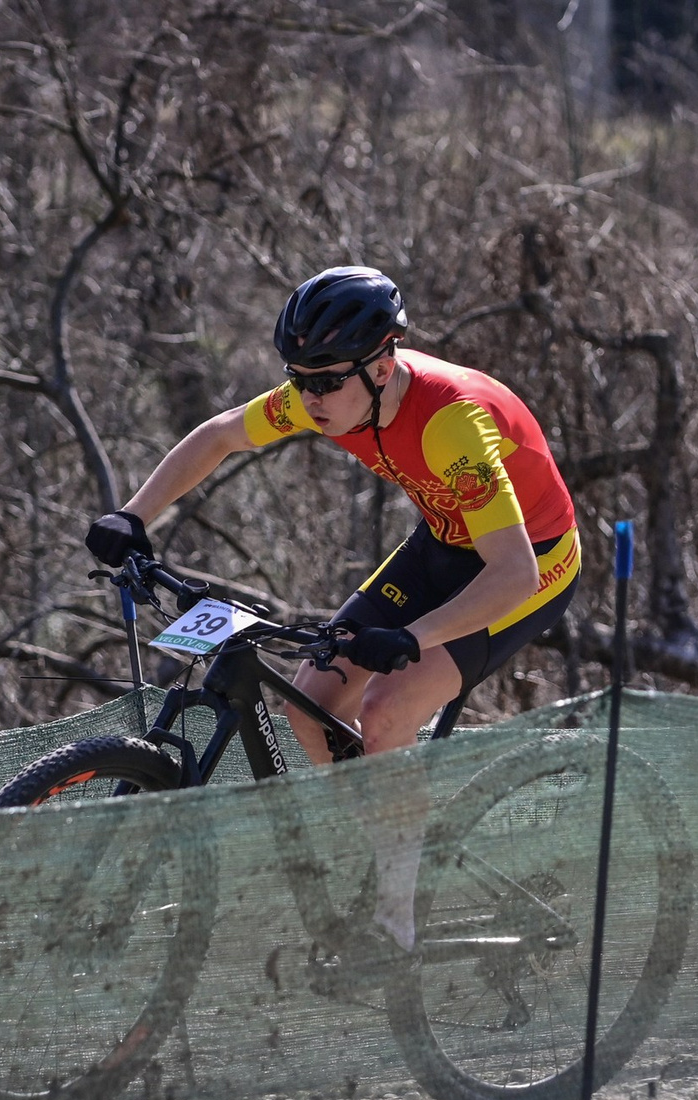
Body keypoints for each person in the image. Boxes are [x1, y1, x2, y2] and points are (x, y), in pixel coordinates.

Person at [83, 265, 583, 948]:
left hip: (530, 562)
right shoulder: (334, 393)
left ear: (382, 365)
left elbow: (514, 573)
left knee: (386, 709)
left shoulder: (450, 424)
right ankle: (396, 844)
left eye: (324, 381)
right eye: (297, 377)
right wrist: (134, 516)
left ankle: (394, 922)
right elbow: (224, 433)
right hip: (446, 540)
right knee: (310, 704)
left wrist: (413, 637)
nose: (308, 397)